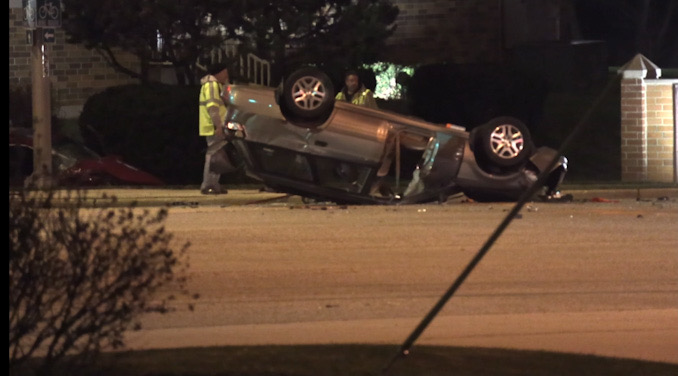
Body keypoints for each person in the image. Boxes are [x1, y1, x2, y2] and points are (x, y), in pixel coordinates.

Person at [198, 63, 230, 195]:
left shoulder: (214, 85)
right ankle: (208, 185)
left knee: (216, 156)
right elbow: (213, 108)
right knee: (213, 157)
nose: (227, 75)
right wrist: (218, 126)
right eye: (225, 72)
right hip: (214, 127)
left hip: (214, 126)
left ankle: (213, 184)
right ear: (219, 73)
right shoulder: (212, 86)